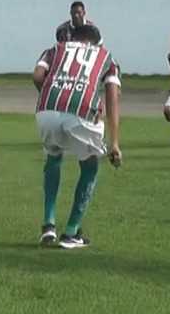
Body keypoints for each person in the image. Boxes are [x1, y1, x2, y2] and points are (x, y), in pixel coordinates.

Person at [32, 23, 122, 249]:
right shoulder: (106, 56)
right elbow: (112, 96)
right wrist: (114, 143)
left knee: (53, 159)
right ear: (95, 42)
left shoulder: (54, 49)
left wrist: (56, 94)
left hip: (46, 111)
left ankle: (48, 225)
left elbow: (37, 75)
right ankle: (71, 232)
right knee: (89, 168)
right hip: (82, 113)